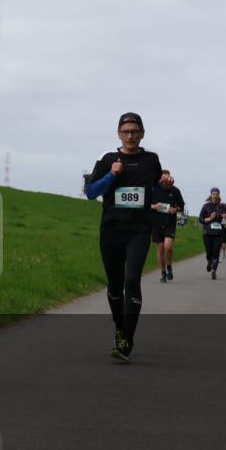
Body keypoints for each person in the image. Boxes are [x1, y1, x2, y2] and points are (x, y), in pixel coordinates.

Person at [85, 112, 170, 362]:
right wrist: (112, 175)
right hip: (111, 230)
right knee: (114, 285)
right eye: (126, 131)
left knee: (132, 280)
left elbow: (155, 184)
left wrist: (165, 183)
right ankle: (120, 327)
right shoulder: (107, 159)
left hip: (139, 231)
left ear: (142, 133)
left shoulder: (151, 160)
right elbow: (90, 192)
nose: (130, 135)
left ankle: (125, 341)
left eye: (135, 131)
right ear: (119, 134)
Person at [150, 170, 185, 283]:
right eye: (163, 176)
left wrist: (175, 209)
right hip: (156, 223)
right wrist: (154, 206)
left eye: (168, 176)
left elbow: (181, 206)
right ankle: (163, 272)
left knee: (168, 247)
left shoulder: (175, 190)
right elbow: (145, 204)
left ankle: (169, 265)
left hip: (169, 222)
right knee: (160, 249)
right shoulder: (153, 188)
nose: (166, 178)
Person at [199, 188, 226, 280]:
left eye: (216, 194)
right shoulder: (206, 206)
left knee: (216, 252)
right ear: (211, 195)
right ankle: (209, 262)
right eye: (213, 194)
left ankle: (214, 271)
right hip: (208, 233)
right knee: (209, 253)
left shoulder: (223, 207)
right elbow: (201, 219)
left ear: (219, 195)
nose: (215, 195)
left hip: (219, 233)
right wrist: (210, 218)